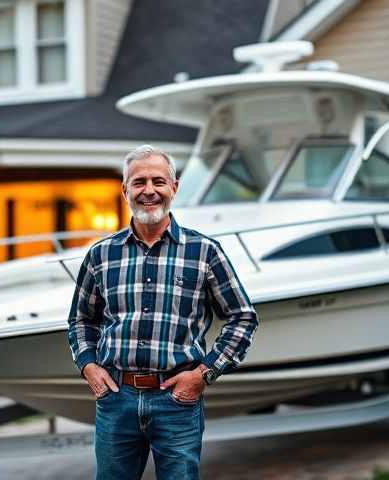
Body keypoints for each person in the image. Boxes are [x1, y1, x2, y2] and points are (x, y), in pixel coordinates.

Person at [67, 144, 259, 480]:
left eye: (158, 181)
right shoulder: (101, 255)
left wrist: (205, 374)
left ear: (174, 187)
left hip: (177, 401)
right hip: (116, 400)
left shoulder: (204, 252)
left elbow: (243, 316)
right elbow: (82, 320)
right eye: (139, 182)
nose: (149, 191)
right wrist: (89, 367)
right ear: (125, 190)